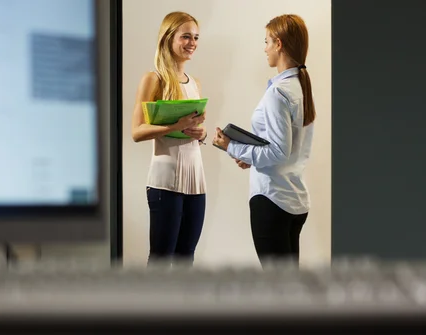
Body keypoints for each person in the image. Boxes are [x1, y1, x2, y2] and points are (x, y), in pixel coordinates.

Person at [213, 14, 316, 266]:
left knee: (278, 292)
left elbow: (279, 152)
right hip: (294, 199)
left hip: (272, 199)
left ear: (279, 44)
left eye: (267, 41)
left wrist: (231, 146)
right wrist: (250, 158)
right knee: (289, 289)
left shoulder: (278, 92)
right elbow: (286, 147)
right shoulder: (299, 87)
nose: (265, 48)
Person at [131, 11, 208, 267]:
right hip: (165, 184)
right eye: (186, 36)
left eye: (195, 37)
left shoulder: (194, 82)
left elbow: (196, 130)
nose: (192, 43)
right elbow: (137, 131)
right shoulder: (154, 79)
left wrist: (202, 133)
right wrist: (174, 125)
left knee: (186, 260)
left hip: (196, 184)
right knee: (162, 261)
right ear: (168, 38)